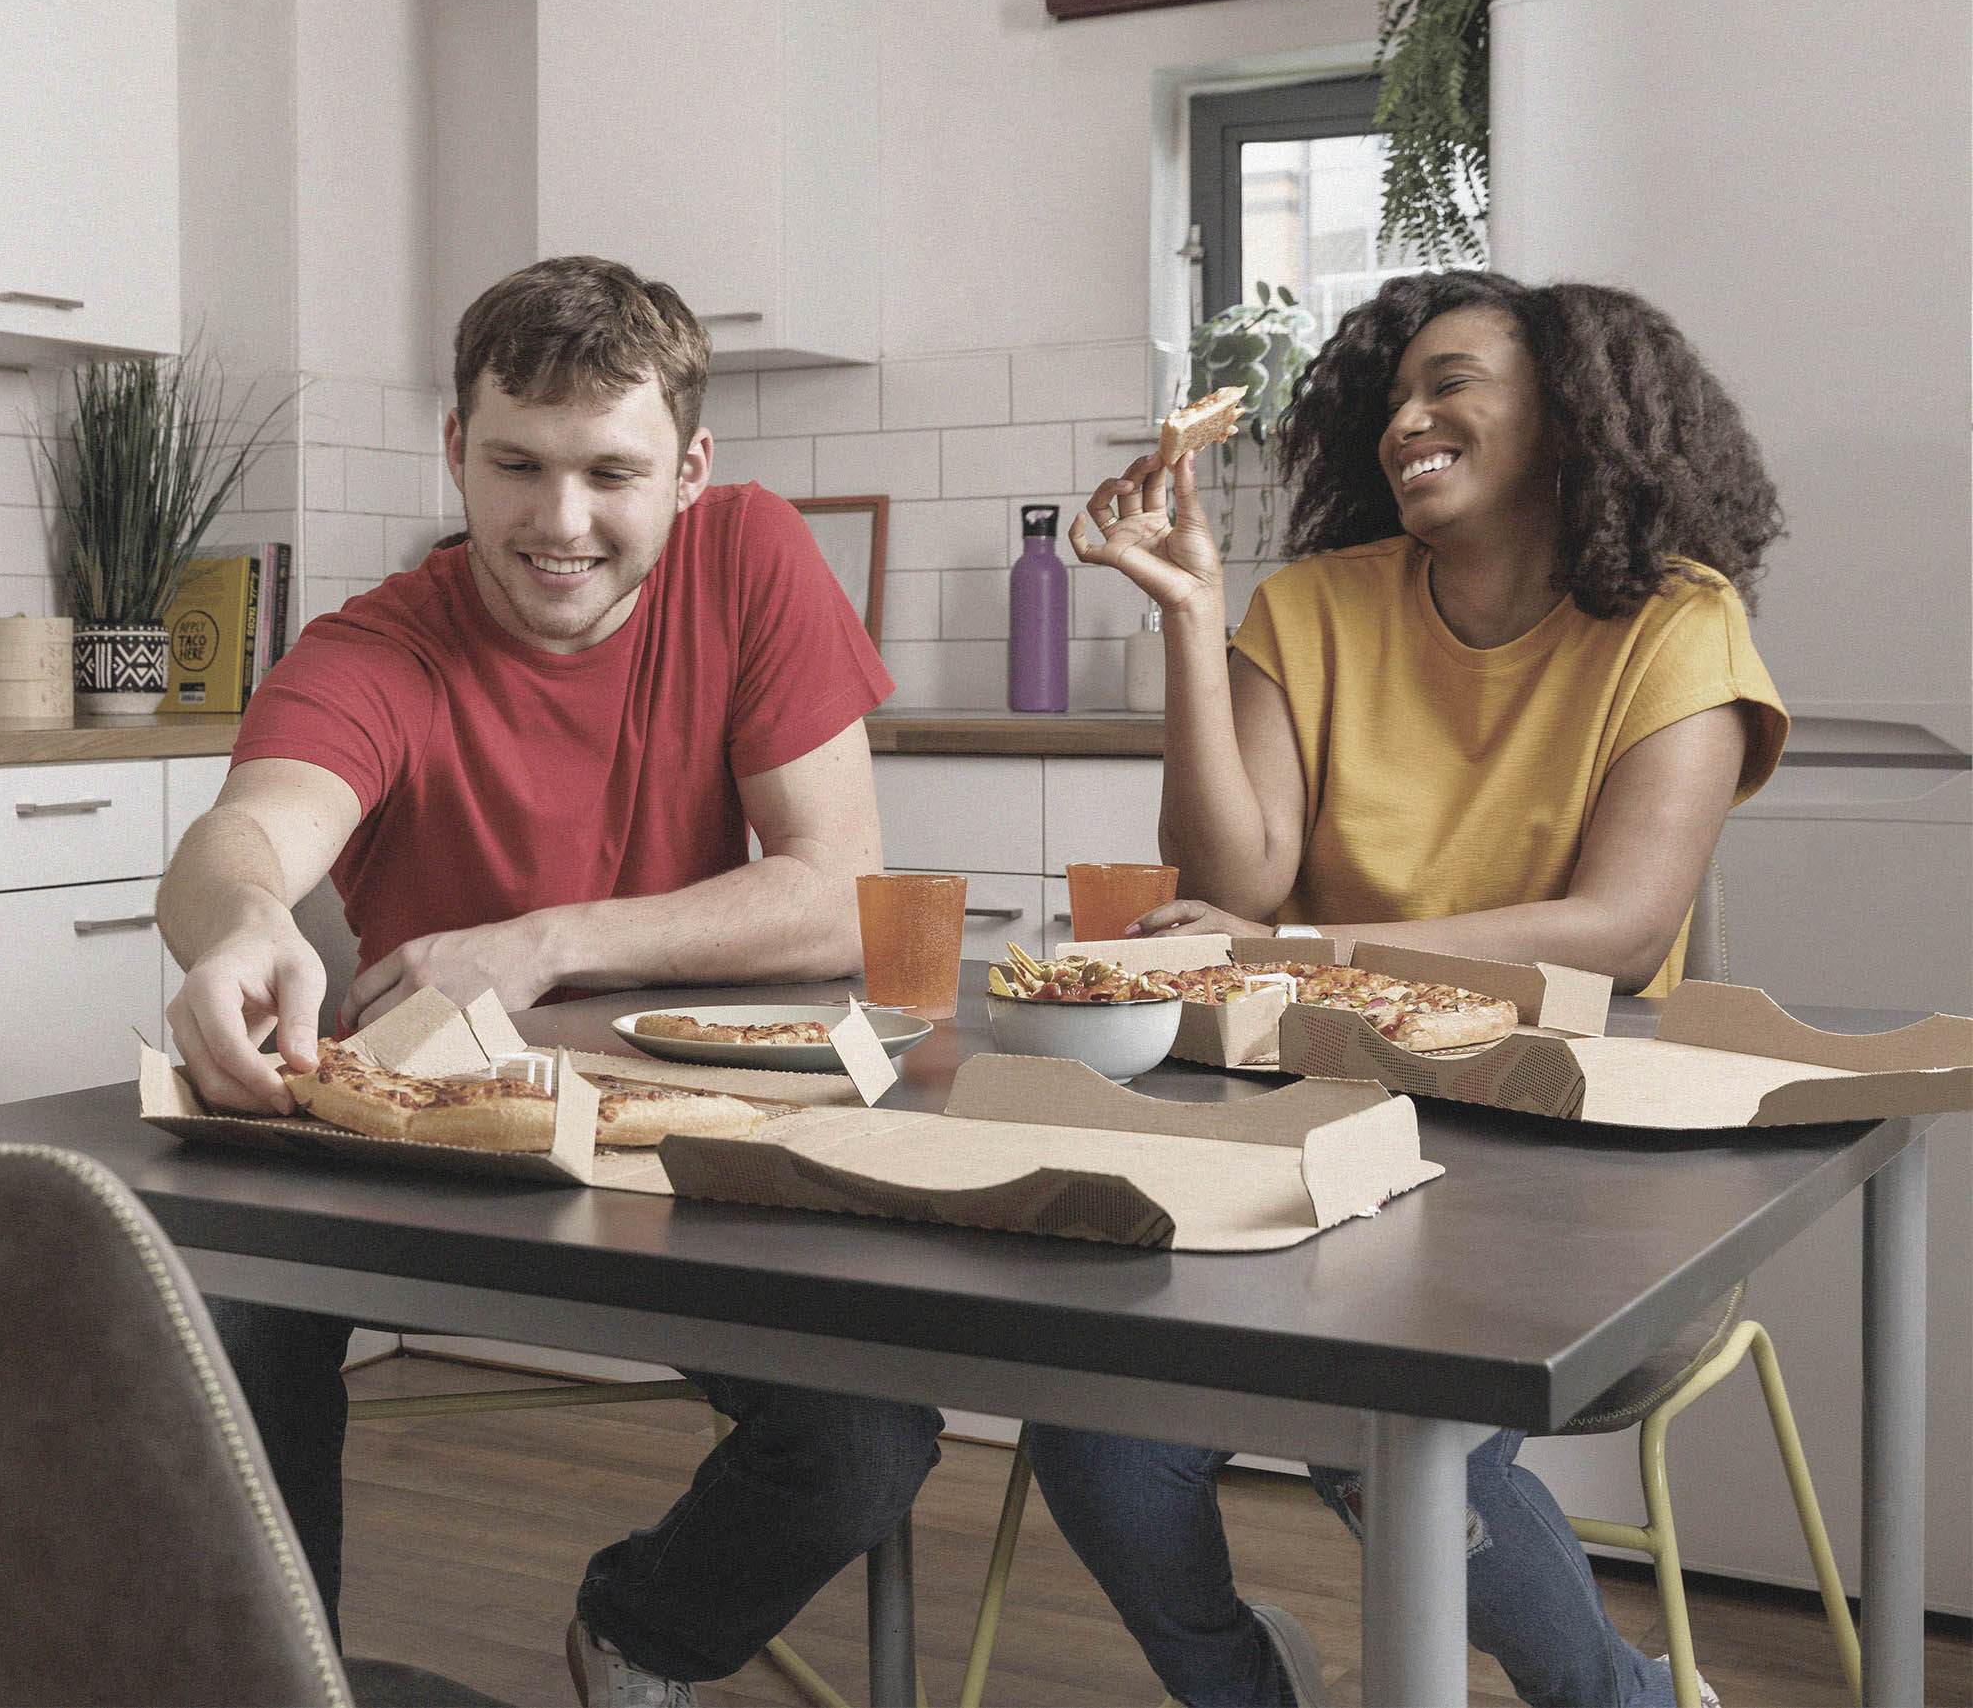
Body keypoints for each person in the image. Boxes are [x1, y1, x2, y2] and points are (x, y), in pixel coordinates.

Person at [157, 256, 939, 1708]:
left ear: (693, 469)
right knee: (233, 1313)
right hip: (425, 1160)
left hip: (681, 1138)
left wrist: (546, 938)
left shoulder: (754, 552)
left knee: (863, 1437)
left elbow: (838, 890)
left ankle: (639, 1629)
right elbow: (236, 840)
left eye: (609, 472)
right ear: (456, 447)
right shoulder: (376, 646)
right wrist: (242, 923)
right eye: (516, 463)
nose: (559, 521)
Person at [1043, 271, 1789, 1708]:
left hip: (1565, 1139)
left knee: (1370, 1410)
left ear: (1568, 415)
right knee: (1096, 1421)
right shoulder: (1313, 607)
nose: (1408, 419)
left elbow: (1622, 929)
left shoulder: (1674, 623)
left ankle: (1629, 1700)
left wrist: (1316, 954)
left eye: (1450, 383)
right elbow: (1236, 880)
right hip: (1315, 1120)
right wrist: (1191, 618)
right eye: (1392, 395)